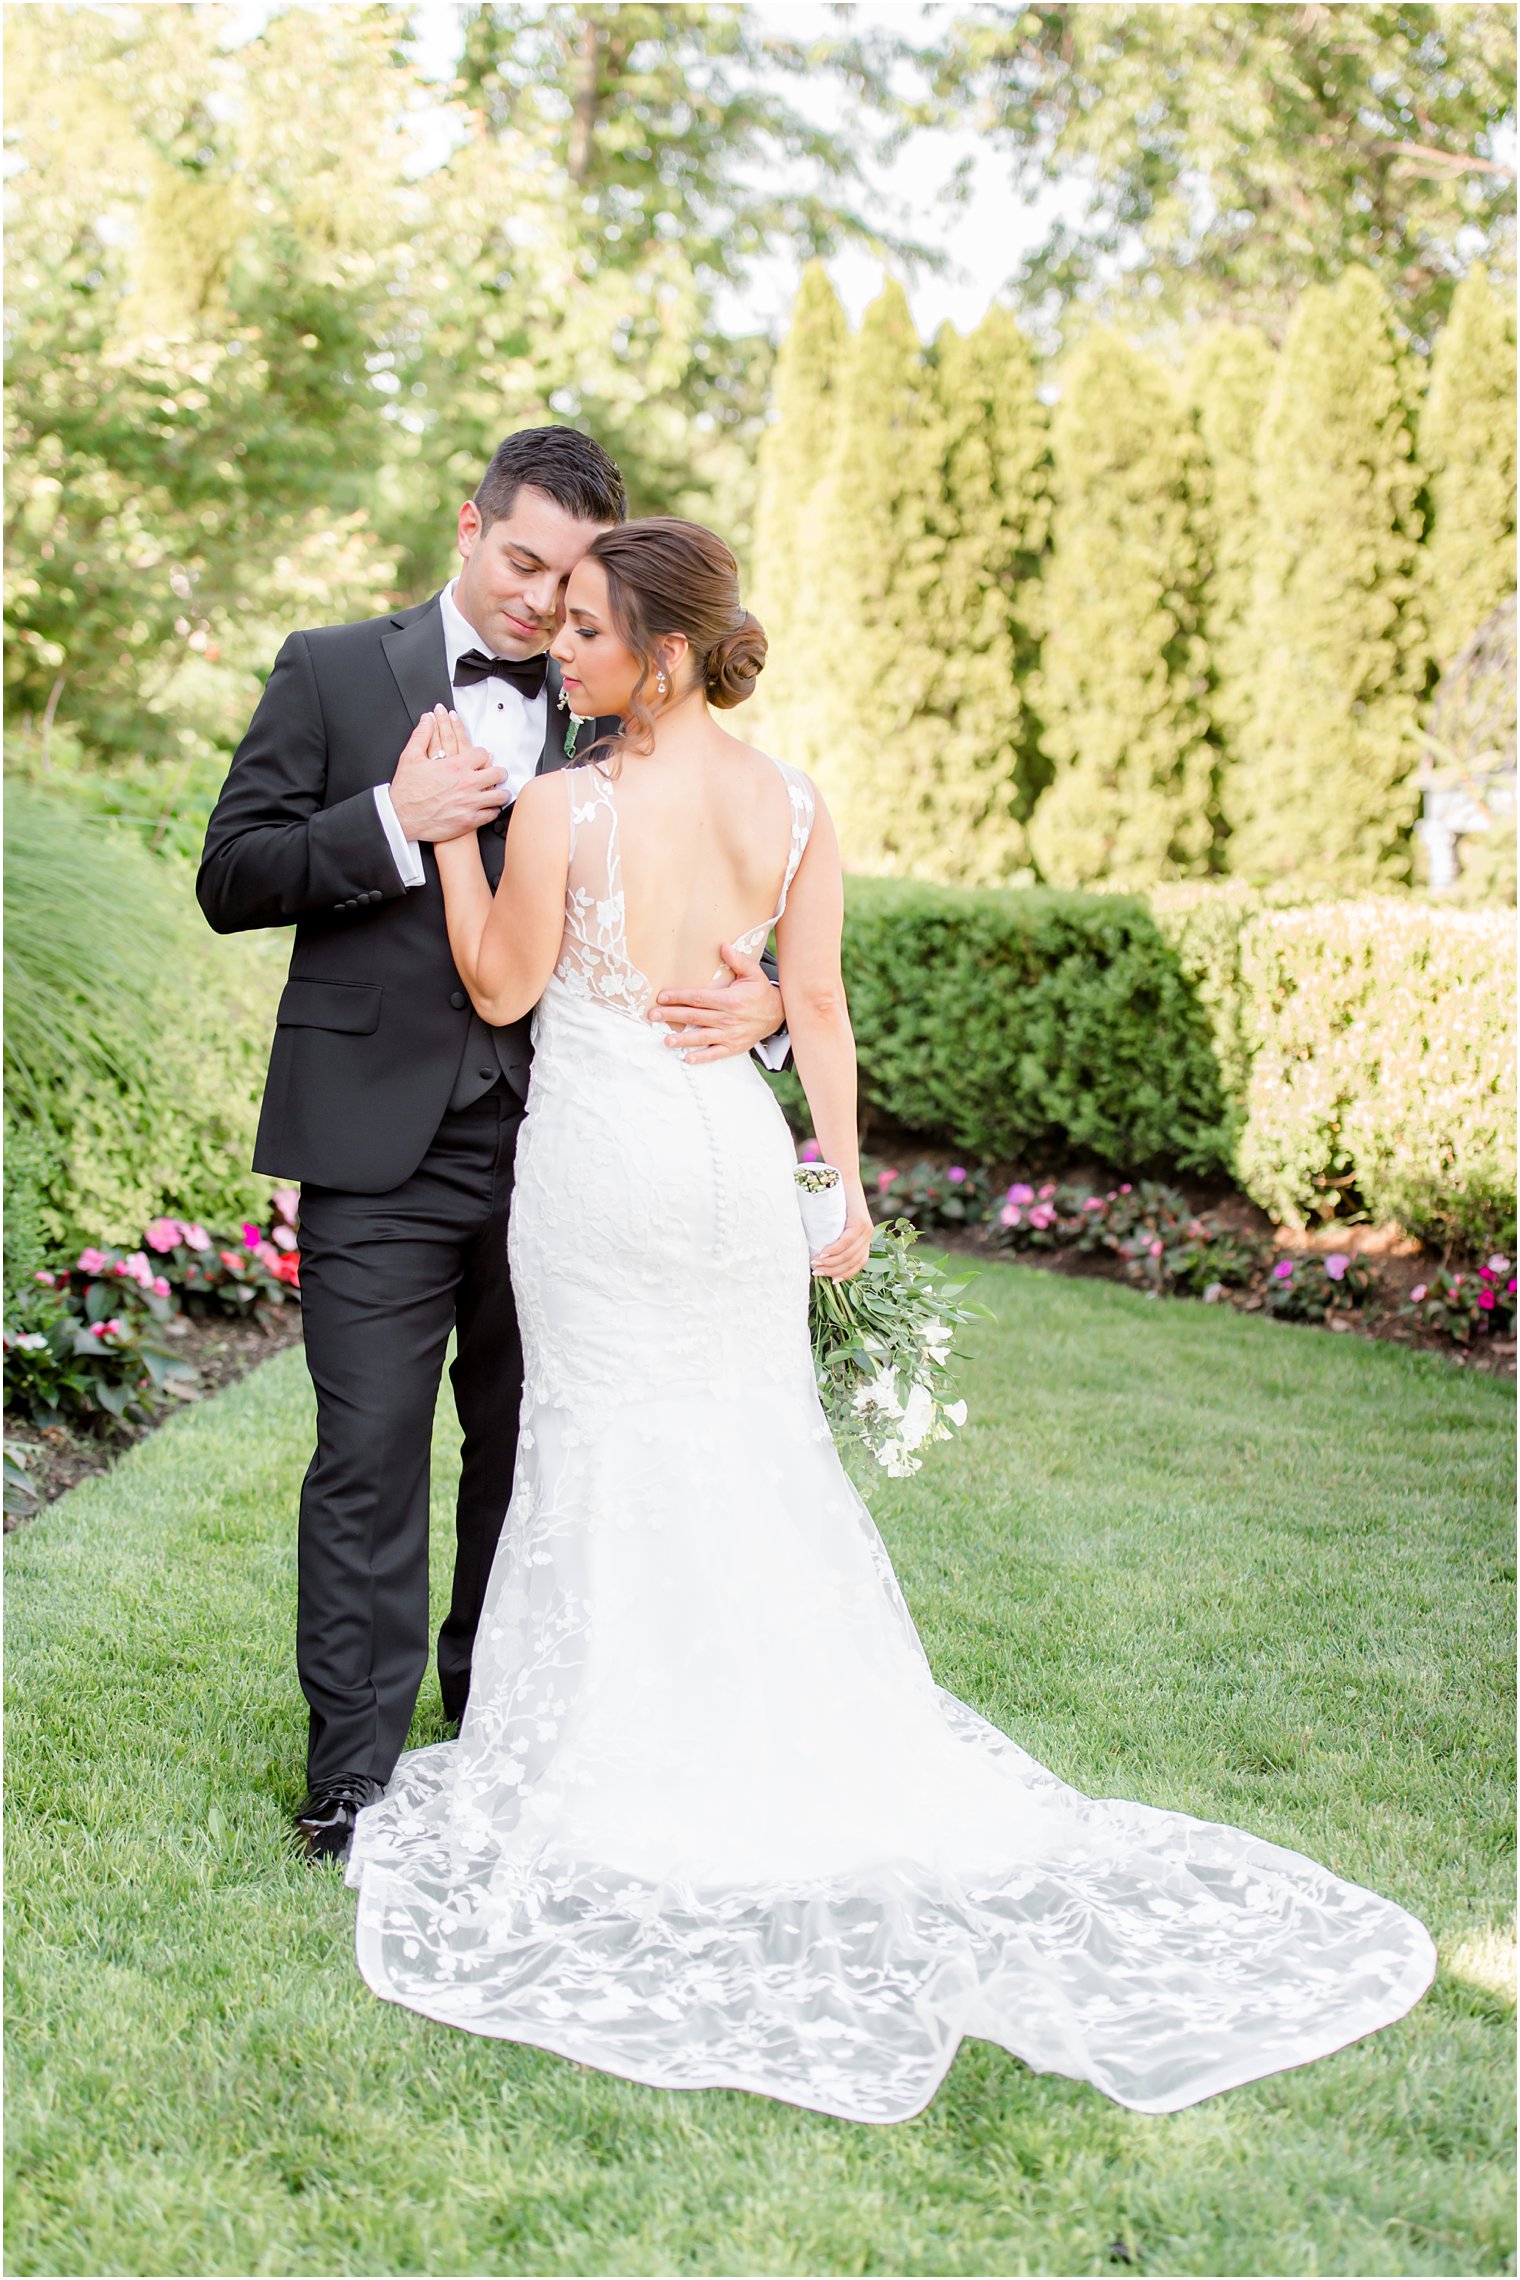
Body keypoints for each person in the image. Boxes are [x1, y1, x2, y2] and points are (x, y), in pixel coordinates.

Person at [345, 517, 1435, 2123]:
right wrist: (838, 1192)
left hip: (598, 1172)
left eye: (583, 631)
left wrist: (452, 839)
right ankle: (781, 1746)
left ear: (660, 654)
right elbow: (823, 1001)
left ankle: (620, 1775)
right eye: (553, 623)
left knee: (604, 1447)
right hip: (728, 1164)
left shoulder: (569, 805)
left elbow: (503, 992)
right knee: (739, 1447)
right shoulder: (792, 802)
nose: (556, 652)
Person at [197, 431, 790, 1863]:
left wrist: (764, 1002)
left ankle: (505, 1734)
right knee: (370, 1453)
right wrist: (392, 820)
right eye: (521, 563)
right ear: (470, 526)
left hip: (571, 1155)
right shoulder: (333, 669)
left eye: (571, 581)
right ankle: (354, 1781)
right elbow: (231, 874)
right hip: (378, 1150)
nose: (541, 605)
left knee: (530, 1452)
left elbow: (737, 872)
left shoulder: (619, 692)